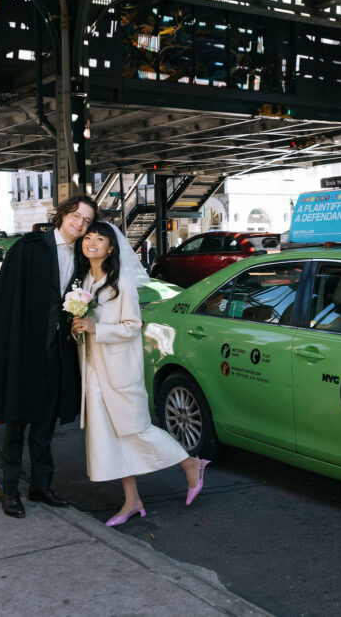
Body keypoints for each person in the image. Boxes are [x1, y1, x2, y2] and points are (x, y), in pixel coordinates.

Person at [69, 221, 208, 526]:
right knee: (110, 436)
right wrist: (79, 326)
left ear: (111, 247)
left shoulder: (122, 283)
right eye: (88, 237)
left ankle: (190, 463)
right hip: (94, 369)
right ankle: (132, 501)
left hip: (118, 370)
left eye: (99, 238)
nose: (91, 242)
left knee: (136, 430)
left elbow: (133, 327)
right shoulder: (86, 281)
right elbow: (90, 320)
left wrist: (96, 327)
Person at [0, 195, 98, 518]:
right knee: (17, 423)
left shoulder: (81, 258)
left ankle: (41, 485)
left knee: (45, 425)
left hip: (56, 353)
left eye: (86, 221)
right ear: (64, 213)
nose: (79, 224)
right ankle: (10, 490)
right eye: (76, 215)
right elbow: (6, 304)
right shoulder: (29, 248)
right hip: (25, 351)